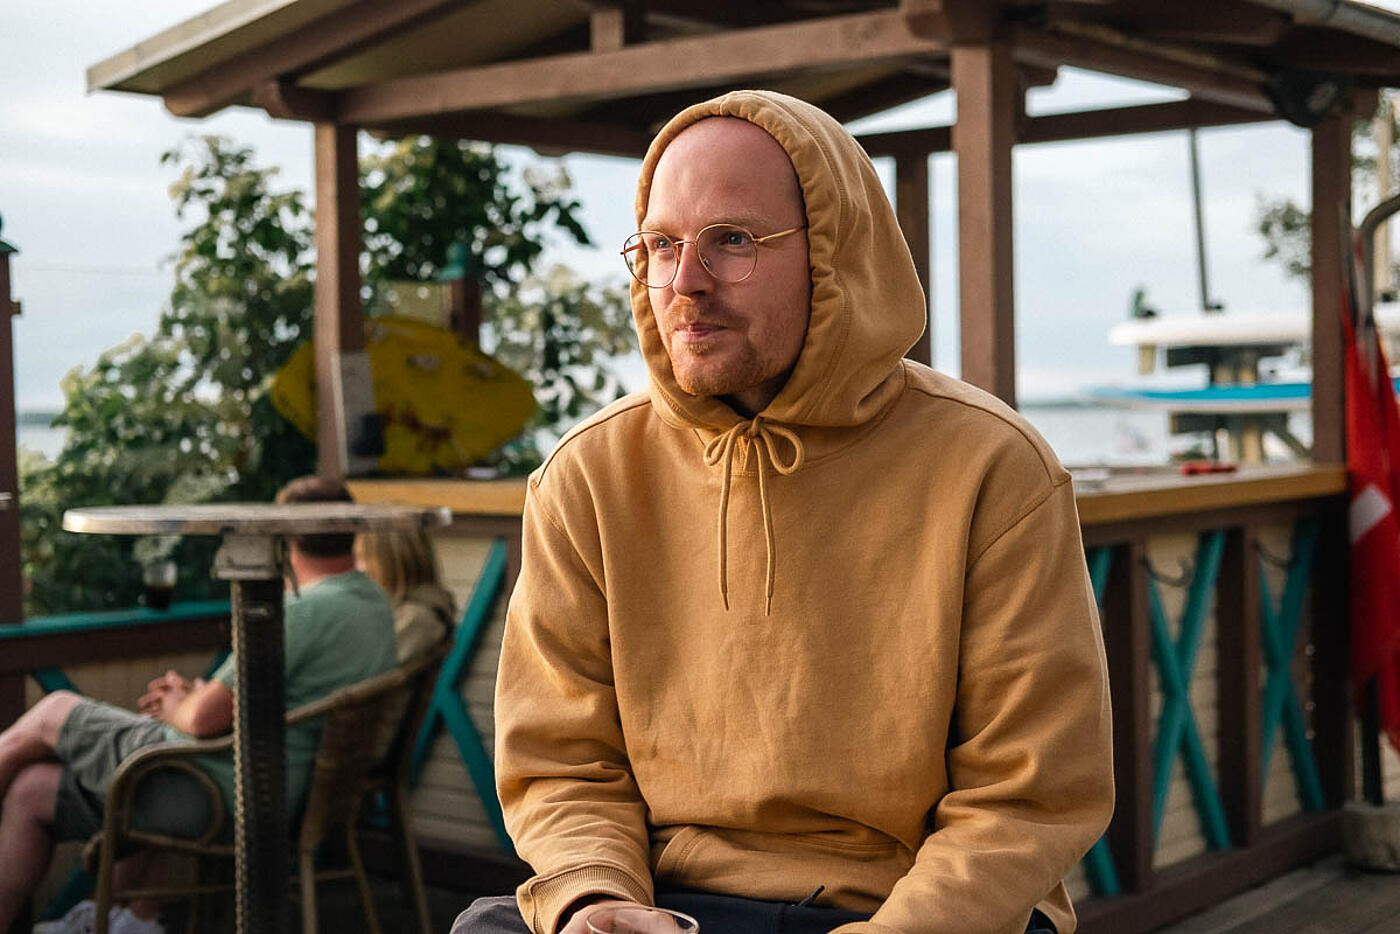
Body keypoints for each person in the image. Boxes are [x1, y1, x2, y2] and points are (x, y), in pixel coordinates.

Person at [454, 90, 1113, 934]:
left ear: (835, 255)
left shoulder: (993, 468)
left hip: (912, 910)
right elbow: (562, 761)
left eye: (732, 240)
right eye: (661, 245)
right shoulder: (587, 476)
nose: (684, 282)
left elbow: (1029, 794)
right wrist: (595, 896)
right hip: (666, 904)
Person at [0, 476, 398, 934]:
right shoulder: (372, 601)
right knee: (31, 789)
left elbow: (202, 720)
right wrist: (192, 702)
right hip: (281, 787)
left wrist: (177, 703)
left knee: (55, 709)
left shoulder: (304, 609)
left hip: (225, 792)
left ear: (284, 536)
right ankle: (128, 919)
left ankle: (122, 916)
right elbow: (251, 702)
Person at [355, 527, 457, 663]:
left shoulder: (416, 618)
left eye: (365, 557)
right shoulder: (405, 605)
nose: (359, 568)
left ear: (394, 561)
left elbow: (361, 666)